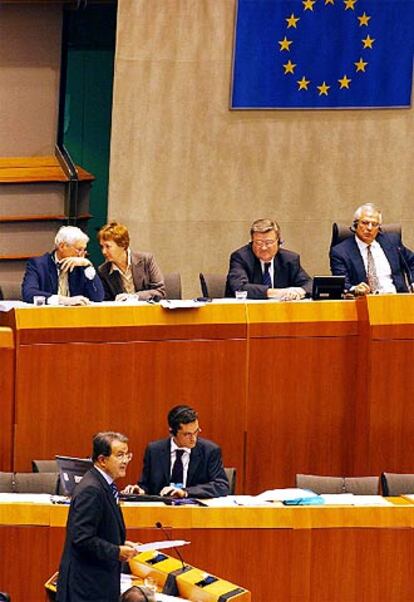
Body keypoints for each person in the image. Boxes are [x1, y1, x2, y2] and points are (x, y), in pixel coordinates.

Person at [56, 432, 137, 602]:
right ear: (102, 460)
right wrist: (116, 551)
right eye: (119, 455)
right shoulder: (91, 489)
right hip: (86, 587)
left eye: (127, 455)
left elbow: (99, 529)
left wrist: (119, 543)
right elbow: (82, 538)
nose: (125, 461)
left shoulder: (103, 485)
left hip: (96, 583)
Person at [123, 405, 229, 499]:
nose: (194, 439)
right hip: (162, 512)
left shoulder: (210, 451)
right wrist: (140, 490)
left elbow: (221, 485)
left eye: (196, 432)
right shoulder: (154, 450)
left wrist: (185, 492)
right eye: (187, 434)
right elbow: (146, 484)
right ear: (172, 433)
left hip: (195, 513)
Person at [330, 203, 414, 295]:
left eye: (374, 224)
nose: (369, 228)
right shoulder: (340, 252)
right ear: (356, 224)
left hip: (397, 300)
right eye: (365, 223)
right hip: (365, 303)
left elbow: (412, 261)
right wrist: (354, 288)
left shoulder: (392, 242)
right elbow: (342, 284)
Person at [225, 218, 312, 300]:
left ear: (278, 242)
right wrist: (277, 293)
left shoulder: (289, 259)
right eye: (258, 243)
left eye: (269, 243)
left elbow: (310, 284)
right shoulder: (241, 257)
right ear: (251, 242)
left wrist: (299, 291)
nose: (263, 248)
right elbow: (239, 287)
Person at [22, 225, 104, 305]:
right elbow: (29, 293)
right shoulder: (39, 265)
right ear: (62, 246)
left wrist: (88, 266)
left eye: (84, 250)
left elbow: (98, 297)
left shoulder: (82, 266)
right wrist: (62, 300)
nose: (81, 255)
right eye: (79, 249)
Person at [98, 222, 165, 301]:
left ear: (123, 245)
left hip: (147, 311)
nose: (104, 252)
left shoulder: (146, 260)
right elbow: (106, 301)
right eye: (102, 247)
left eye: (108, 246)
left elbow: (160, 291)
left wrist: (135, 297)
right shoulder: (103, 270)